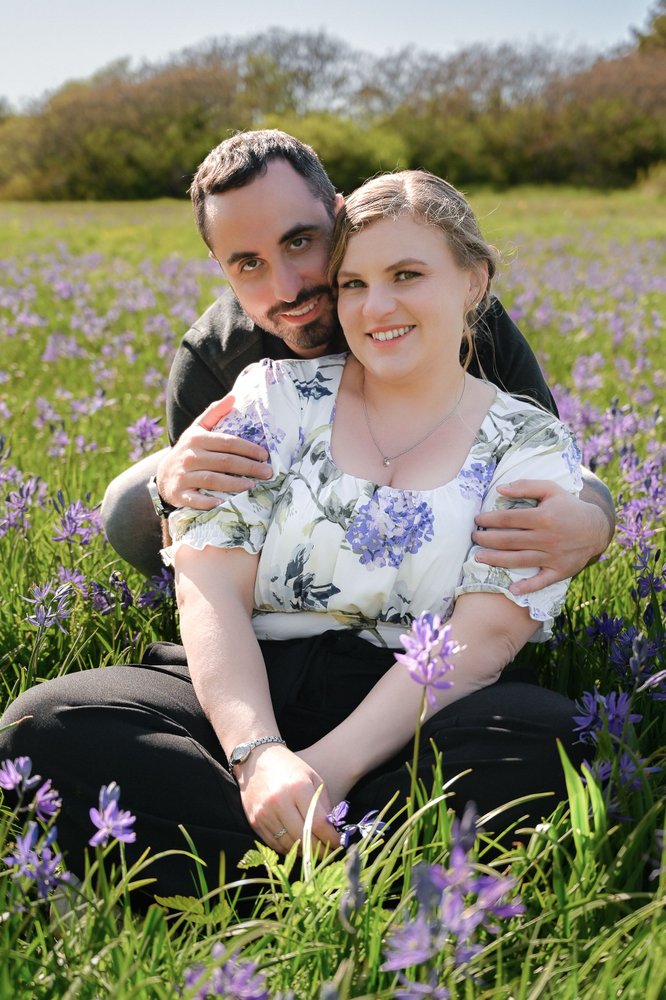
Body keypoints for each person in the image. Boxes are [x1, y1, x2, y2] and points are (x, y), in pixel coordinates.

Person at [1, 166, 589, 905]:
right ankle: (362, 874)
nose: (377, 306)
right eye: (353, 283)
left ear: (474, 282)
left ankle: (228, 873)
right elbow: (210, 585)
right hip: (254, 679)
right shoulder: (270, 392)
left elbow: (485, 638)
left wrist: (327, 769)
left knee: (552, 740)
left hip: (418, 705)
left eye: (407, 275)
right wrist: (259, 757)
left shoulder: (527, 438)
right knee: (45, 724)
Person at [101, 130, 614, 584]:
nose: (287, 288)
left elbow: (545, 449)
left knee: (586, 499)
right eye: (249, 264)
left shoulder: (451, 314)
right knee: (131, 503)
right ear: (220, 267)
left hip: (441, 503)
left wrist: (592, 528)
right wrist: (168, 493)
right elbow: (196, 523)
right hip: (286, 554)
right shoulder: (213, 356)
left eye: (300, 242)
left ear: (340, 214)